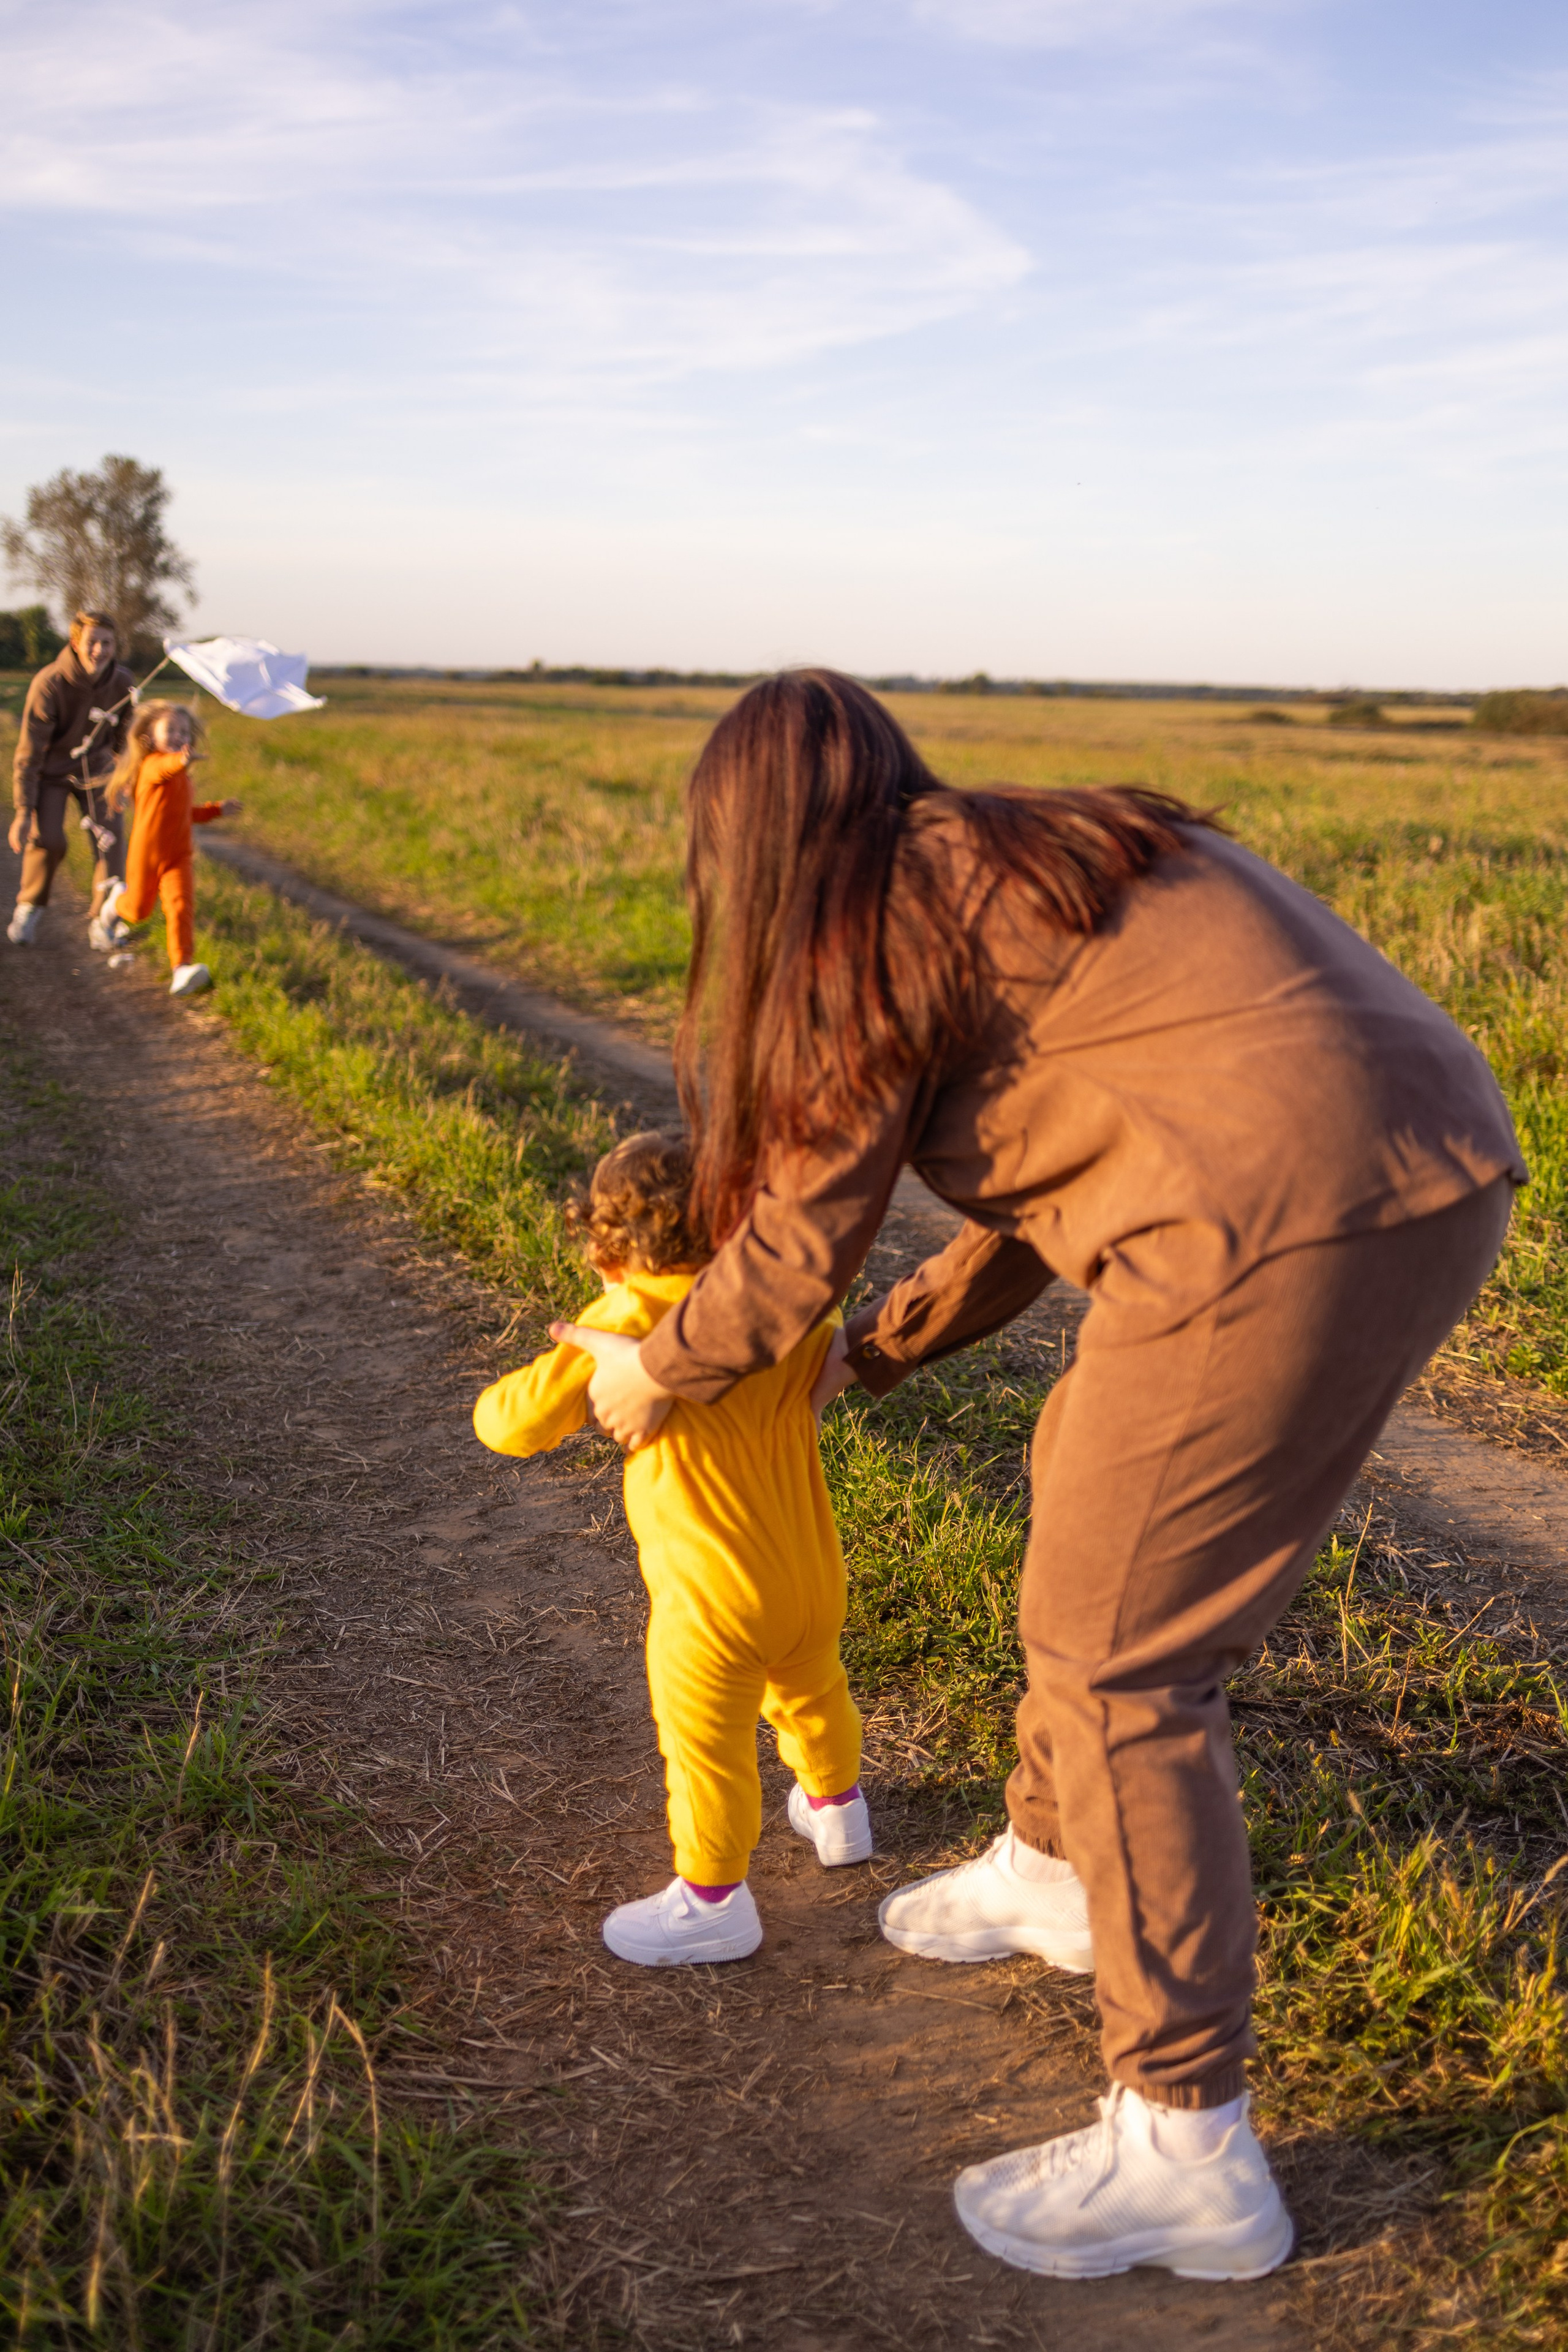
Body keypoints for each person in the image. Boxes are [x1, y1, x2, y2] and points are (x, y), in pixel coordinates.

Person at [562, 671, 1523, 2283]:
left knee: (1123, 1657)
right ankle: (1053, 1864)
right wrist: (895, 1345)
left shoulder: (861, 927)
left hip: (1274, 1216)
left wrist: (654, 1369)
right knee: (1086, 1476)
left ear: (748, 837)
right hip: (1427, 1158)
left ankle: (1185, 2146)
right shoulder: (1018, 857)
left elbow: (795, 1241)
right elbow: (1052, 1173)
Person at [473, 1129, 871, 1968]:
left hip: (710, 1595)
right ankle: (839, 1812)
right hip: (811, 1571)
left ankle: (712, 1902)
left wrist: (583, 1339)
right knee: (812, 1689)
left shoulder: (627, 1319)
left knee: (704, 1748)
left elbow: (510, 1426)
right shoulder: (785, 1306)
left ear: (607, 1243)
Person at [7, 609, 135, 949]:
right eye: (92, 642)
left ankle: (104, 920)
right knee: (48, 840)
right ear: (76, 643)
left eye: (107, 643)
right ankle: (30, 905)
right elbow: (29, 752)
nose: (100, 650)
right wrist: (23, 811)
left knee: (111, 840)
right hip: (51, 773)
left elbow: (126, 738)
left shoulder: (124, 682)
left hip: (98, 772)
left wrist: (124, 775)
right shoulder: (50, 683)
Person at [100, 700, 239, 999]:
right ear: (150, 737)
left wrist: (217, 809)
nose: (179, 736)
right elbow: (166, 767)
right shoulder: (153, 766)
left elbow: (185, 813)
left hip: (179, 857)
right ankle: (115, 903)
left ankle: (181, 968)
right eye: (171, 730)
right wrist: (180, 761)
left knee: (180, 906)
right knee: (138, 911)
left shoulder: (183, 777)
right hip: (146, 856)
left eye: (184, 732)